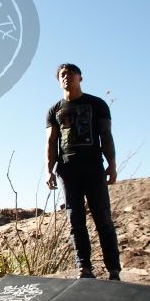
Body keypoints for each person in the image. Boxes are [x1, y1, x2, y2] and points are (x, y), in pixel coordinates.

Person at [45, 63, 121, 280]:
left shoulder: (97, 104)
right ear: (58, 80)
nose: (66, 77)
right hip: (67, 170)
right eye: (62, 75)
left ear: (80, 77)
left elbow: (106, 135)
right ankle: (84, 267)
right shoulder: (55, 110)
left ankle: (113, 269)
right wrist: (48, 170)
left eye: (70, 73)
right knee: (75, 219)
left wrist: (112, 164)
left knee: (102, 218)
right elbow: (50, 142)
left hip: (93, 167)